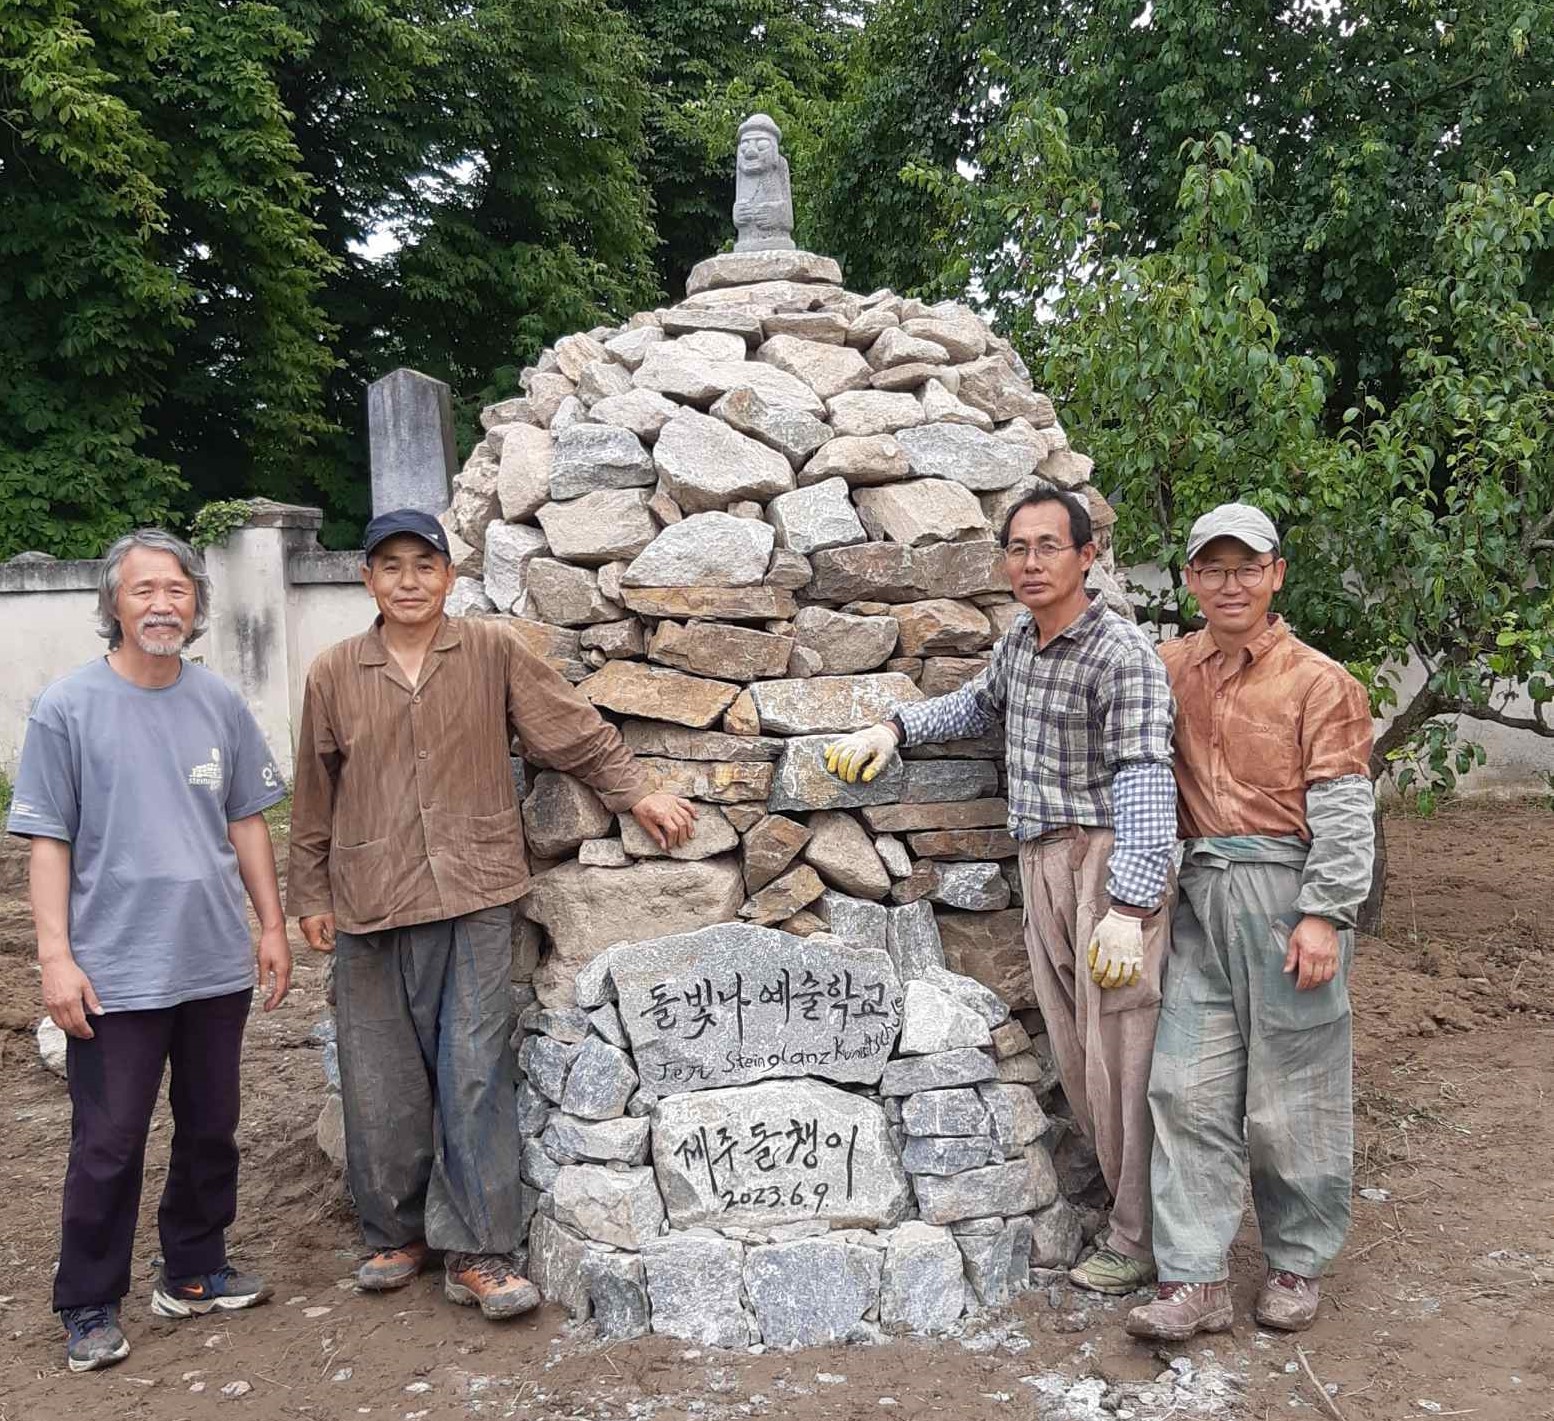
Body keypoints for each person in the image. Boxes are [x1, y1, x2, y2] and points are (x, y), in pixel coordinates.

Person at [287, 509, 697, 1320]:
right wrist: (309, 893)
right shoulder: (334, 672)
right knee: (380, 1076)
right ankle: (395, 1231)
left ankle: (479, 1248)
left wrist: (637, 790)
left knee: (473, 1071)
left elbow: (570, 732)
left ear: (448, 575)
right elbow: (314, 793)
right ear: (367, 578)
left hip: (474, 889)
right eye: (391, 566)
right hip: (370, 894)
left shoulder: (488, 652)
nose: (409, 581)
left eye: (424, 565)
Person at [826, 488, 1177, 1295]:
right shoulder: (1023, 641)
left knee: (1124, 1052)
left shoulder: (1121, 654)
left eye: (1049, 546)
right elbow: (979, 705)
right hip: (1043, 859)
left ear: (1087, 556)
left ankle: (1143, 1235)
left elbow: (1145, 779)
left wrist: (1130, 906)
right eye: (1017, 548)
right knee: (1080, 1053)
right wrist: (894, 727)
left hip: (1106, 864)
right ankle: (1129, 1216)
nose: (1030, 562)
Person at [7, 529, 290, 1374]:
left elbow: (247, 820)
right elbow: (48, 842)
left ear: (196, 605)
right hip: (114, 969)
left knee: (212, 1126)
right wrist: (55, 958)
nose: (162, 604)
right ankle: (88, 1299)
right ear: (114, 604)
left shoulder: (221, 704)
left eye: (178, 590)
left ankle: (194, 1268)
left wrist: (270, 926)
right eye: (144, 590)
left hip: (210, 960)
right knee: (109, 1138)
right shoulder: (67, 708)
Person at [1126, 503, 1375, 1341]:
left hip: (1285, 898)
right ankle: (1194, 1277)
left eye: (1247, 567)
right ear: (1190, 578)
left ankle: (1295, 1260)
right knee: (1183, 1085)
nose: (1229, 583)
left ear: (1276, 574)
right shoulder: (1165, 668)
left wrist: (1325, 914)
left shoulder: (1319, 681)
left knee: (1291, 1092)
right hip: (1197, 897)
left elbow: (1344, 810)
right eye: (1212, 568)